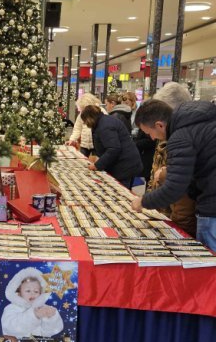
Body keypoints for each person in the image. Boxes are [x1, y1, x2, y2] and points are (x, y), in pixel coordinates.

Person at [132, 98, 216, 249]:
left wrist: (143, 201)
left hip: (212, 206)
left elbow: (174, 188)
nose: (151, 138)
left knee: (209, 266)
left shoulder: (180, 137)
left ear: (159, 125)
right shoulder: (200, 122)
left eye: (149, 133)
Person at [145, 82, 196, 235]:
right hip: (166, 213)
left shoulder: (184, 137)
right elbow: (155, 171)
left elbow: (183, 195)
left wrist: (179, 231)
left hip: (180, 217)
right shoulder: (166, 133)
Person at [80, 104, 143, 188]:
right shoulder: (103, 121)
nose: (85, 123)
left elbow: (113, 149)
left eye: (85, 121)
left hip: (124, 166)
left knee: (121, 192)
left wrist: (97, 165)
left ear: (89, 118)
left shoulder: (105, 126)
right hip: (124, 163)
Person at [1, 267, 64, 338]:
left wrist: (51, 318)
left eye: (36, 291)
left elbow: (52, 331)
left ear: (41, 293)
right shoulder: (11, 308)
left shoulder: (43, 308)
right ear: (18, 293)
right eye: (28, 291)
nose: (32, 294)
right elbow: (10, 328)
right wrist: (34, 315)